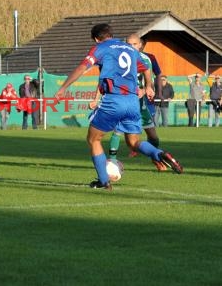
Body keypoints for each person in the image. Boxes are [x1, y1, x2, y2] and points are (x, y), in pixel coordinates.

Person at [55, 24, 183, 190]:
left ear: (96, 38)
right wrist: (149, 86)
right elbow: (146, 68)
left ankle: (103, 181)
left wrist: (63, 87)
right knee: (133, 141)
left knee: (93, 139)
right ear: (111, 34)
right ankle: (159, 154)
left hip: (114, 100)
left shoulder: (100, 48)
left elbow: (82, 67)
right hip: (132, 101)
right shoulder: (129, 49)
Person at [102, 34, 166, 171]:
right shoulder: (119, 57)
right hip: (123, 99)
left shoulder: (145, 59)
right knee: (118, 131)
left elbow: (149, 76)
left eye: (134, 44)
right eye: (128, 44)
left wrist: (147, 88)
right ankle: (112, 161)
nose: (131, 47)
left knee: (153, 135)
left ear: (140, 45)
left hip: (140, 103)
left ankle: (156, 157)